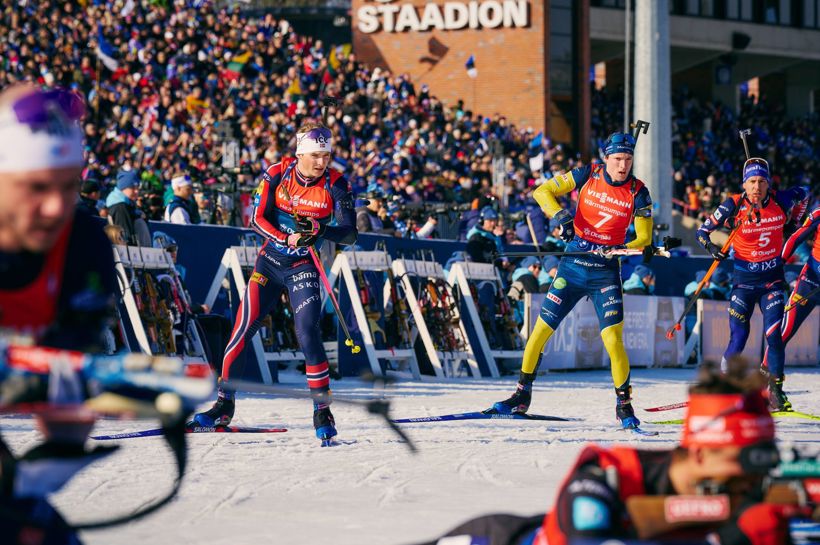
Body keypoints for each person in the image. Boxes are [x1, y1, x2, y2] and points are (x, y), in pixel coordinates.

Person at [419, 360, 794, 545]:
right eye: (744, 459)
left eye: (764, 456)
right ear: (699, 454)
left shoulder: (749, 494)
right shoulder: (604, 479)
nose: (755, 473)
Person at [0, 85, 119, 544]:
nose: (55, 207)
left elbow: (67, 420)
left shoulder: (84, 244)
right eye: (36, 187)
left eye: (70, 186)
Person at [192, 122, 357, 442]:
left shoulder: (336, 183)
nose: (323, 161)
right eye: (316, 155)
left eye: (327, 154)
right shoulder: (278, 172)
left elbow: (349, 233)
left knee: (307, 332)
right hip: (269, 264)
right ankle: (223, 406)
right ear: (301, 153)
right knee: (241, 328)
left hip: (304, 266)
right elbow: (256, 218)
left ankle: (322, 409)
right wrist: (286, 237)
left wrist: (320, 231)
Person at [491, 132, 654, 430]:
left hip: (604, 272)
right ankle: (521, 395)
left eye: (628, 160)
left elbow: (645, 238)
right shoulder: (587, 174)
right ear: (606, 158)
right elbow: (542, 192)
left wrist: (619, 247)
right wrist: (560, 217)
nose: (623, 166)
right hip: (572, 267)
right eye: (617, 159)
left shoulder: (638, 191)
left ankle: (624, 406)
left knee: (613, 340)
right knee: (540, 332)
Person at [695, 157, 809, 411]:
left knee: (774, 336)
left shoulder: (782, 199)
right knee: (739, 336)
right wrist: (713, 248)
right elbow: (701, 232)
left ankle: (776, 391)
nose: (756, 187)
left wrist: (794, 222)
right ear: (744, 184)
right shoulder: (732, 205)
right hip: (743, 284)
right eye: (751, 182)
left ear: (768, 184)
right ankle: (724, 389)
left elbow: (805, 193)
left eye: (761, 181)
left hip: (772, 282)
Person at [763, 204, 820, 383]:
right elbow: (796, 237)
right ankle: (766, 375)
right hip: (811, 280)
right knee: (784, 330)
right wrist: (779, 262)